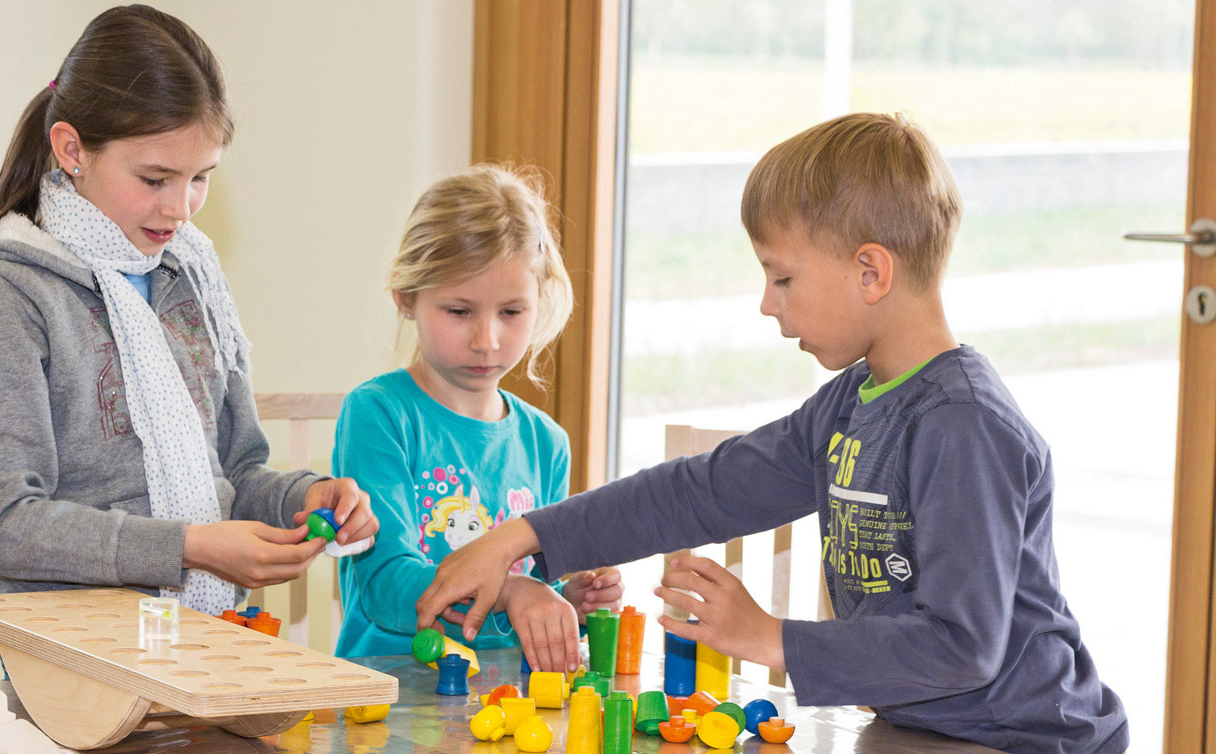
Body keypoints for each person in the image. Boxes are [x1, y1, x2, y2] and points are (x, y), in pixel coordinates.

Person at [416, 115, 1128, 754]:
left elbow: (963, 647)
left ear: (870, 271)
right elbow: (701, 491)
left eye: (782, 277)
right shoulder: (851, 403)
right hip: (920, 727)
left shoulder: (963, 424)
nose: (766, 303)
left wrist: (767, 637)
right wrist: (522, 537)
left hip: (1029, 738)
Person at [0, 4, 375, 617]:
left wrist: (304, 499)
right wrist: (189, 548)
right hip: (75, 664)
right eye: (155, 179)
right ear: (72, 149)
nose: (182, 209)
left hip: (203, 639)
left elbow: (236, 474)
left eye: (201, 177)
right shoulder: (8, 293)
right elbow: (4, 525)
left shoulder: (191, 277)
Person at [332, 165, 621, 671]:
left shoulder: (545, 441)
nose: (487, 339)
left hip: (510, 703)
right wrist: (512, 593)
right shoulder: (379, 413)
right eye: (459, 311)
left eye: (511, 312)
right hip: (391, 699)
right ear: (406, 298)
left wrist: (567, 602)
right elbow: (386, 586)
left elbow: (535, 581)